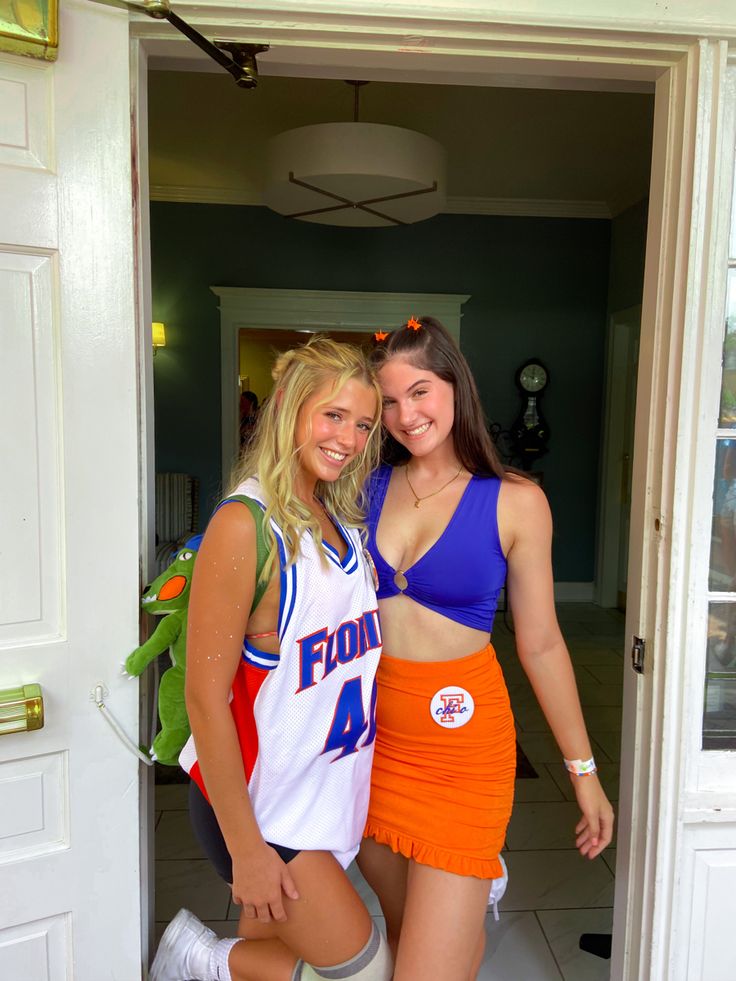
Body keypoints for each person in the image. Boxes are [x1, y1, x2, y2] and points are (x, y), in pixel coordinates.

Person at [357, 316, 615, 981]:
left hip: (462, 751)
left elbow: (544, 643)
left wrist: (582, 771)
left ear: (455, 386)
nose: (404, 414)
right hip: (372, 746)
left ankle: (473, 886)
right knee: (407, 935)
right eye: (388, 400)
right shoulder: (363, 489)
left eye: (419, 392)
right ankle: (468, 912)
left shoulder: (517, 500)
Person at [151, 338, 392, 981]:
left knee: (285, 959)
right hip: (264, 806)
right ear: (288, 408)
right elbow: (205, 699)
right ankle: (199, 960)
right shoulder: (246, 525)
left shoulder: (342, 524)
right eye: (333, 415)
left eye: (363, 423)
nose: (349, 437)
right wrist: (247, 849)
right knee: (364, 967)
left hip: (319, 793)